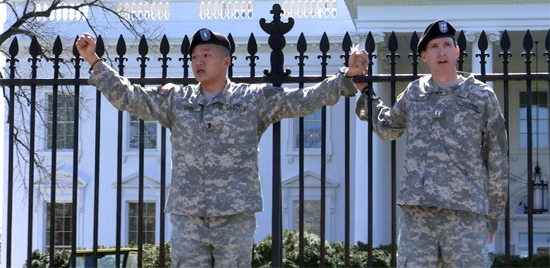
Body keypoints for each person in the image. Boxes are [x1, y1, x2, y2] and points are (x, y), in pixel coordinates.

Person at [76, 28, 366, 267]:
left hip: (234, 217)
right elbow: (130, 97)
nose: (198, 61)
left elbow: (303, 100)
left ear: (226, 61)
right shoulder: (176, 99)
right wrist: (95, 63)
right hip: (189, 217)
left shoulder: (252, 98)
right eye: (194, 57)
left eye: (206, 55)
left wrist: (346, 77)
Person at [353, 20, 508, 267]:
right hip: (418, 215)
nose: (442, 51)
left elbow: (497, 160)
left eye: (447, 45)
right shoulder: (414, 93)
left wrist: (493, 218)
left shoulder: (482, 96)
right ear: (424, 56)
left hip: (466, 215)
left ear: (457, 51)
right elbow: (387, 127)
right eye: (434, 46)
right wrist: (365, 91)